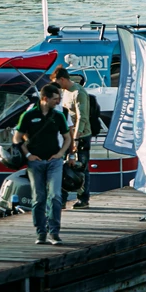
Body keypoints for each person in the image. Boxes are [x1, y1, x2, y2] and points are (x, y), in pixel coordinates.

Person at [14, 84, 71, 245]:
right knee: (39, 198)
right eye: (55, 98)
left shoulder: (58, 116)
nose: (58, 101)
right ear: (45, 98)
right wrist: (28, 155)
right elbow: (17, 138)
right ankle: (41, 232)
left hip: (54, 161)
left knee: (55, 196)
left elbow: (68, 137)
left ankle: (54, 232)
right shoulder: (28, 115)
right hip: (35, 163)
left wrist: (61, 154)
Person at [50, 67, 92, 209]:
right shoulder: (64, 93)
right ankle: (62, 198)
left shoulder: (78, 92)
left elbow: (82, 117)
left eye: (57, 82)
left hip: (81, 135)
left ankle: (83, 198)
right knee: (63, 166)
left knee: (81, 167)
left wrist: (76, 138)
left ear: (62, 79)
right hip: (68, 134)